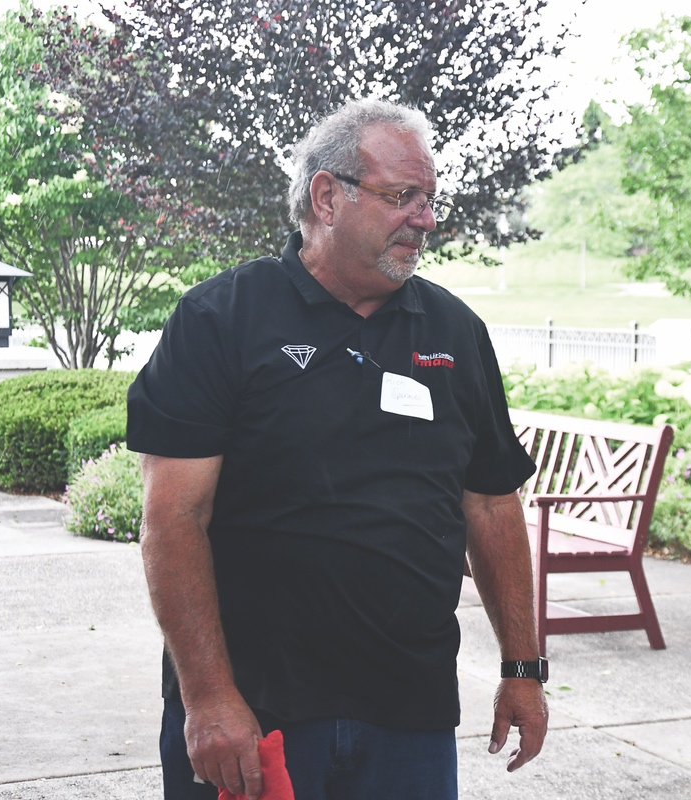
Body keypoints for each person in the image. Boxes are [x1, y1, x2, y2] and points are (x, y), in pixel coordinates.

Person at [126, 98, 547, 800]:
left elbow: (493, 506)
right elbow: (172, 520)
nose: (426, 217)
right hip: (257, 714)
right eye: (402, 195)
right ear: (327, 196)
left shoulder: (454, 329)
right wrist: (208, 698)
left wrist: (523, 669)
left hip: (408, 714)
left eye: (430, 197)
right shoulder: (220, 320)